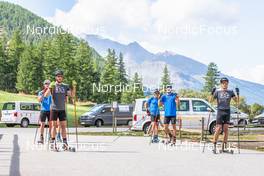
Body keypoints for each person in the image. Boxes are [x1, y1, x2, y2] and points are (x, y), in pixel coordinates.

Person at [45, 70, 72, 150]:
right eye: (58, 76)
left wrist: (72, 88)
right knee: (54, 126)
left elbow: (71, 95)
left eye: (61, 76)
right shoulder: (53, 86)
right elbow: (46, 95)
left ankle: (65, 143)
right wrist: (50, 88)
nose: (60, 77)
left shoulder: (65, 86)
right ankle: (53, 143)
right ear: (56, 77)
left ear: (62, 77)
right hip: (54, 108)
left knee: (63, 126)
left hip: (62, 109)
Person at [210, 77, 238, 153]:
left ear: (228, 83)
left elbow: (237, 101)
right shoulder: (218, 91)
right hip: (220, 111)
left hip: (227, 111)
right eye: (223, 83)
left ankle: (224, 147)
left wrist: (237, 94)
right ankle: (214, 145)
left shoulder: (230, 91)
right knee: (218, 129)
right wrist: (212, 93)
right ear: (221, 83)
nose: (225, 84)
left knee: (226, 129)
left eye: (226, 83)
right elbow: (211, 100)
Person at [37, 80, 52, 144]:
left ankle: (51, 136)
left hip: (50, 110)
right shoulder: (41, 92)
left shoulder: (52, 92)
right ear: (44, 85)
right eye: (46, 84)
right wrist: (44, 93)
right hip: (43, 110)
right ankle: (41, 137)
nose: (47, 85)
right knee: (42, 124)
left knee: (51, 124)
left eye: (48, 84)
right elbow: (39, 100)